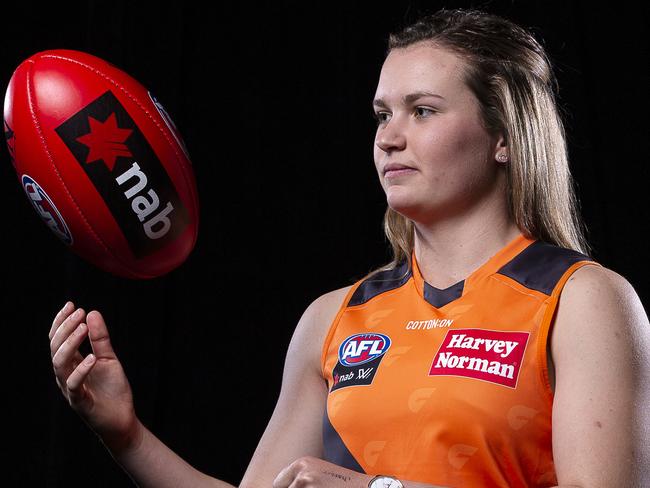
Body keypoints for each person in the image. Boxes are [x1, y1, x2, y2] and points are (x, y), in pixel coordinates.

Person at [49, 7, 649, 488]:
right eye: (381, 114)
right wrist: (125, 434)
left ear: (503, 137)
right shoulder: (334, 318)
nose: (389, 138)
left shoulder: (581, 301)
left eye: (423, 111)